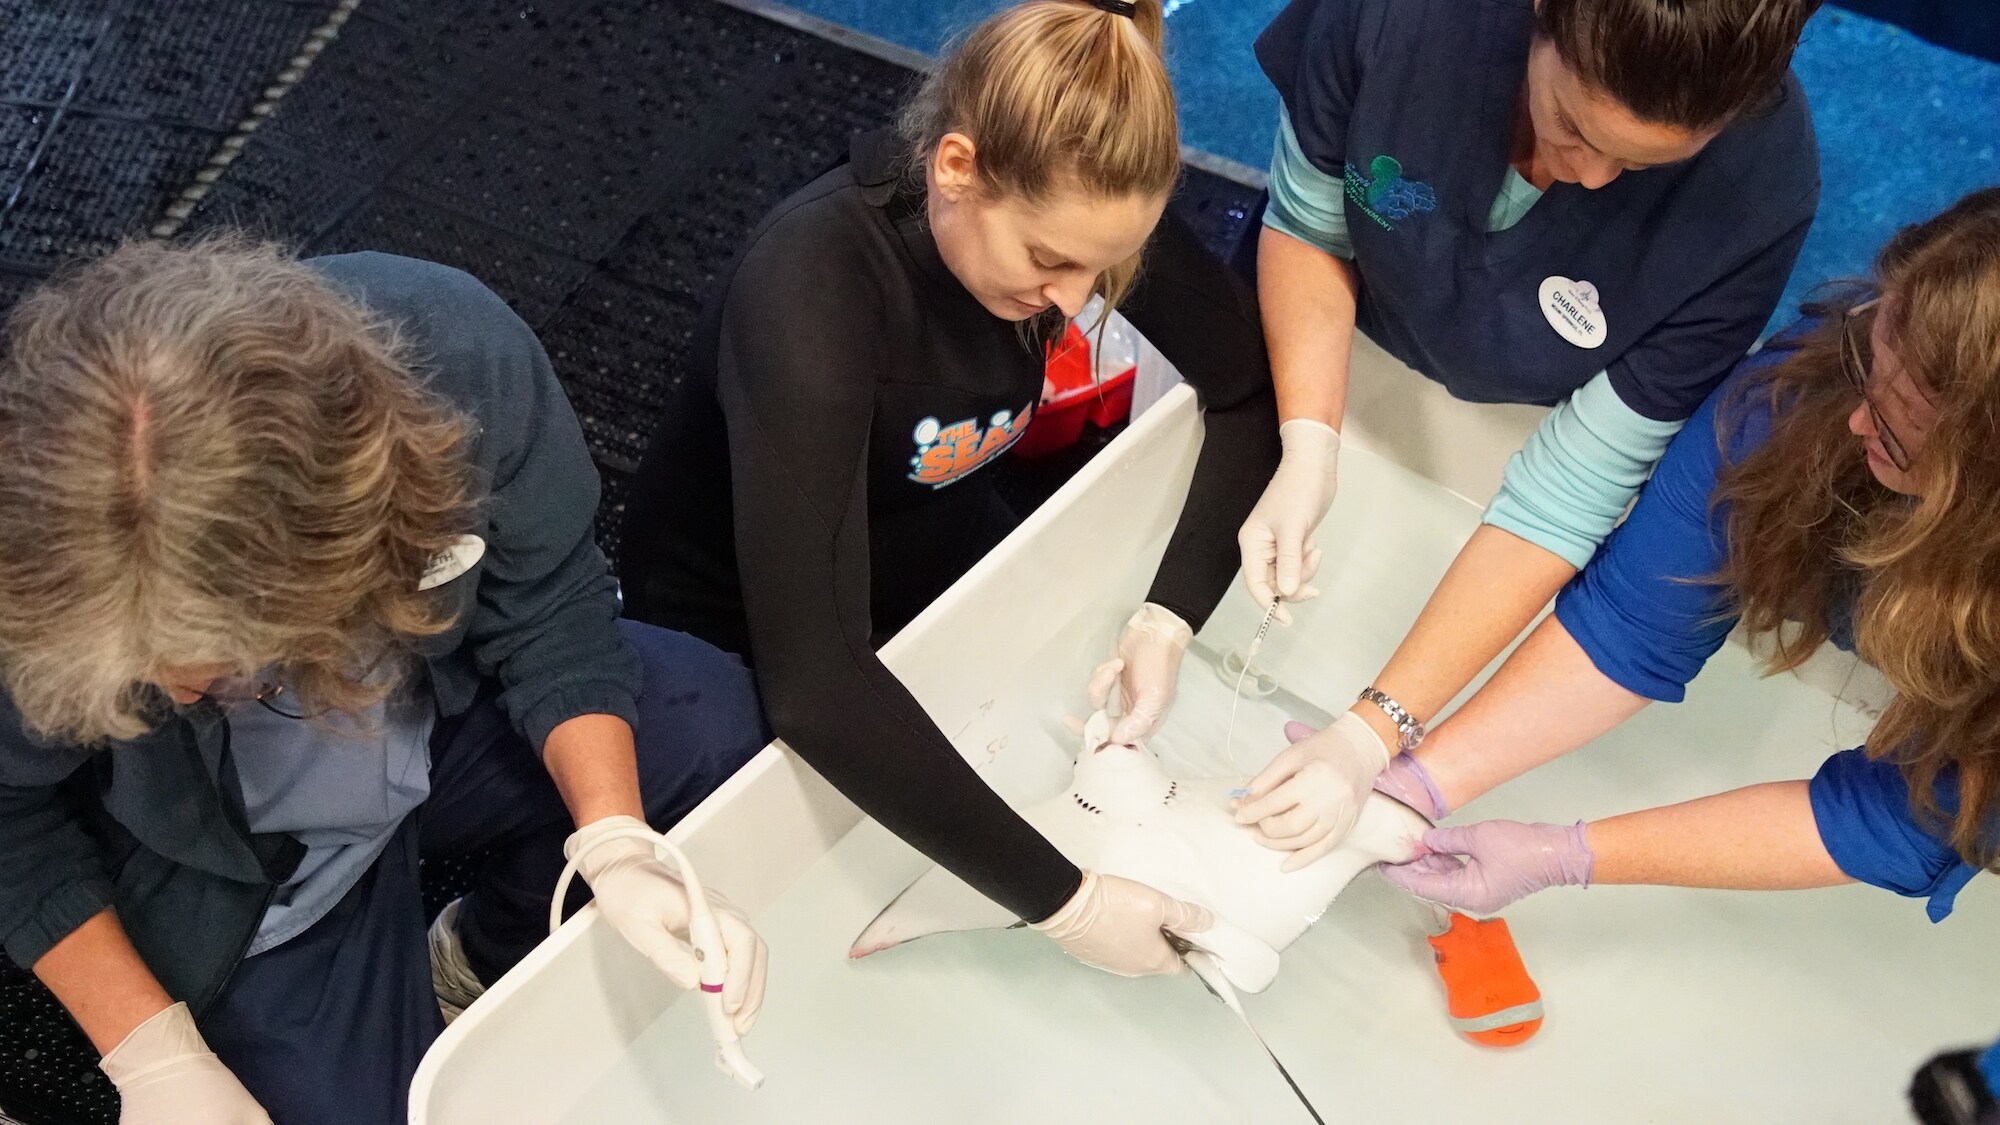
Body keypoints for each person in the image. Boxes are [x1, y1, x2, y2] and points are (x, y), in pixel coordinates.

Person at [0, 240, 772, 1125]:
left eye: (213, 661)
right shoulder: (34, 552)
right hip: (229, 856)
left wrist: (618, 840)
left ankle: (480, 957)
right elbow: (8, 818)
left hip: (430, 710)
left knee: (710, 726)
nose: (178, 691)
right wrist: (152, 1053)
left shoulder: (456, 355)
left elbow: (554, 605)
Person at [617, 0, 1278, 975]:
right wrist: (1069, 904)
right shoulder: (813, 290)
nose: (1070, 300)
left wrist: (1168, 614)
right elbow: (817, 685)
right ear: (956, 168)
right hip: (742, 634)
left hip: (936, 552)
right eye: (1049, 262)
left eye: (1100, 270)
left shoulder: (1078, 216)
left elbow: (1246, 394)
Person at [1233, 0, 1826, 864]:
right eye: (1575, 127)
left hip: (1526, 397)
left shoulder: (1759, 194)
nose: (1591, 179)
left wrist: (1374, 731)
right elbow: (1310, 221)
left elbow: (1566, 494)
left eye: (1643, 166)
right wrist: (1309, 442)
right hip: (1338, 334)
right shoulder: (1403, 20)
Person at [1358, 188, 2000, 922]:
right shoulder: (1826, 378)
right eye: (1871, 363)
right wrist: (1413, 781)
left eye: (1895, 427)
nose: (1857, 417)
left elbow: (1904, 816)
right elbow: (1640, 615)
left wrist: (1571, 854)